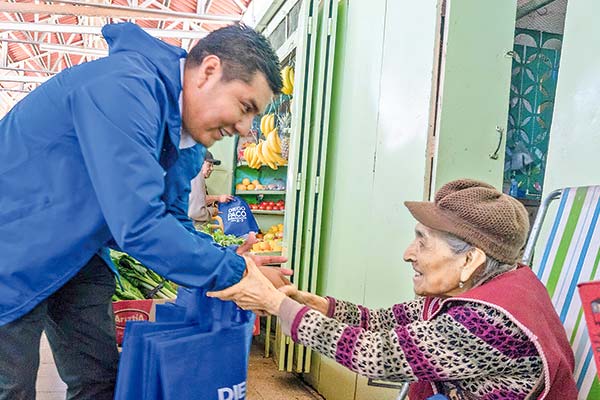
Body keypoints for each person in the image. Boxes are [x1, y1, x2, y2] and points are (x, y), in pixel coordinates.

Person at [0, 22, 290, 400]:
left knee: (99, 379)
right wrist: (238, 274)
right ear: (209, 71)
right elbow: (138, 225)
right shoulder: (124, 88)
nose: (246, 128)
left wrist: (228, 260)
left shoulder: (184, 136)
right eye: (245, 106)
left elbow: (169, 217)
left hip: (76, 253)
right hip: (13, 247)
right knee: (13, 385)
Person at [209, 179, 579, 399]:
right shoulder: (483, 289)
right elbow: (384, 321)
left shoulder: (487, 323)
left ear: (470, 260)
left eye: (423, 241)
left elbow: (378, 355)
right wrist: (314, 303)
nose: (408, 254)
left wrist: (276, 304)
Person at [189, 150, 234, 227]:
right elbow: (195, 212)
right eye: (209, 165)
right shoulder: (197, 177)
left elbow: (196, 201)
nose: (212, 169)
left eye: (212, 165)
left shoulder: (190, 175)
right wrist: (212, 211)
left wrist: (218, 198)